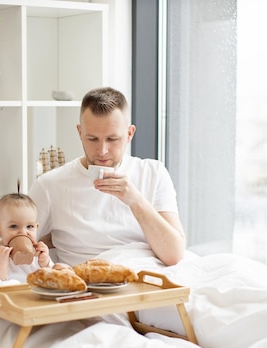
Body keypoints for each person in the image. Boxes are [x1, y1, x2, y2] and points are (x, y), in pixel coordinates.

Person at [28, 87, 186, 266]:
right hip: (93, 284)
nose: (102, 151)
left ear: (129, 134)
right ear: (80, 133)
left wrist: (135, 201)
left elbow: (174, 254)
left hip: (149, 279)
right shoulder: (50, 185)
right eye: (92, 139)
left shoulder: (153, 173)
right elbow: (18, 238)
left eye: (112, 139)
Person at [0, 192, 52, 285]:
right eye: (14, 226)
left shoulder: (38, 256)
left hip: (35, 297)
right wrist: (1, 265)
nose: (23, 232)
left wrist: (45, 264)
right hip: (9, 297)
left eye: (30, 226)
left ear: (36, 228)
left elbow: (53, 281)